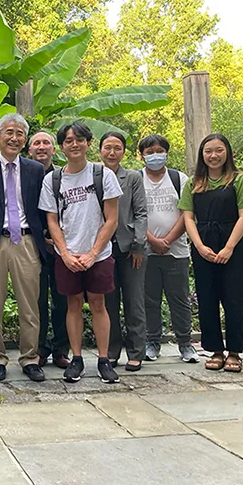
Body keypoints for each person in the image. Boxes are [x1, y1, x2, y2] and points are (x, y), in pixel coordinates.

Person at [38, 122, 123, 384]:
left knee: (99, 304)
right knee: (72, 304)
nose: (74, 144)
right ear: (61, 146)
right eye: (68, 140)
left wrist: (93, 252)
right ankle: (76, 359)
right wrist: (64, 253)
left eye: (79, 140)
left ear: (88, 142)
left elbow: (111, 219)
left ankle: (103, 360)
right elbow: (52, 221)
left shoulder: (103, 175)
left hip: (98, 254)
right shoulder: (52, 180)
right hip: (67, 255)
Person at [0, 113, 47, 383]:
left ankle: (29, 358)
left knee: (30, 306)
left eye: (20, 134)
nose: (14, 138)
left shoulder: (36, 170)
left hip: (26, 241)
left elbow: (43, 207)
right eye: (9, 132)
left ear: (25, 141)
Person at [179, 134, 243, 373]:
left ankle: (234, 352)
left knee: (234, 299)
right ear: (202, 155)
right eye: (208, 151)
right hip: (203, 245)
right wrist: (200, 246)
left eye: (218, 150)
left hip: (232, 243)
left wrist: (229, 247)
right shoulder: (193, 183)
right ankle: (214, 350)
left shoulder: (239, 180)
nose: (213, 156)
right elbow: (188, 217)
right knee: (207, 299)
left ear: (227, 153)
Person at [139, 135, 198, 363]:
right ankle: (152, 342)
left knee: (179, 298)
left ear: (167, 152)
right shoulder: (136, 179)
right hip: (146, 250)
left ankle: (185, 344)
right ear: (141, 155)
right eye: (150, 151)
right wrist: (153, 240)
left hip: (177, 251)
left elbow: (187, 213)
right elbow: (133, 215)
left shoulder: (179, 179)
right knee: (149, 299)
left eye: (160, 150)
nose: (155, 155)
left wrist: (168, 240)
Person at [99, 132, 148, 372]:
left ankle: (136, 351)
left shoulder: (133, 177)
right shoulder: (94, 176)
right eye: (107, 147)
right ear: (99, 150)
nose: (112, 152)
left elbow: (141, 212)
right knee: (108, 302)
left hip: (130, 248)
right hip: (103, 249)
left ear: (123, 152)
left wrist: (139, 244)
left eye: (117, 148)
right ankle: (110, 352)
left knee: (133, 300)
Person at [28, 131, 70, 369]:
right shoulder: (24, 176)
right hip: (34, 246)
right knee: (37, 301)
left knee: (62, 299)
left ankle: (61, 349)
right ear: (29, 149)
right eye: (37, 143)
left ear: (54, 149)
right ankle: (40, 348)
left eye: (46, 143)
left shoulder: (63, 176)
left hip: (62, 246)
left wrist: (59, 240)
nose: (42, 147)